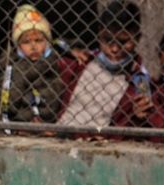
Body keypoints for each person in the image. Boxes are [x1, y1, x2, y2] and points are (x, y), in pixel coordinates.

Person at [57, 0, 150, 130]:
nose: (114, 49)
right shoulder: (81, 62)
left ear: (137, 38)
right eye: (108, 39)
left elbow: (148, 114)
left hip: (100, 141)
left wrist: (138, 116)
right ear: (99, 33)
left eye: (123, 42)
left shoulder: (140, 78)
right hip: (62, 132)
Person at [1, 4, 65, 124]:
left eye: (38, 40)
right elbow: (8, 102)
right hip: (21, 119)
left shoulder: (54, 59)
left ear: (46, 42)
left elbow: (64, 43)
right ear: (18, 46)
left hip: (49, 114)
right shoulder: (12, 64)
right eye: (26, 42)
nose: (33, 47)